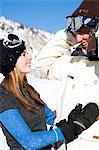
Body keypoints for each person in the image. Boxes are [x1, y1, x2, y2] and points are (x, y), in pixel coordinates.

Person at [0, 34, 98, 150]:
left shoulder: (29, 90)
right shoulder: (4, 98)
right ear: (11, 61)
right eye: (23, 54)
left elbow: (50, 118)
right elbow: (29, 142)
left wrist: (73, 120)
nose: (30, 57)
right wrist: (68, 130)